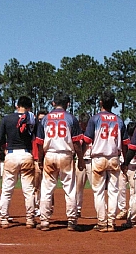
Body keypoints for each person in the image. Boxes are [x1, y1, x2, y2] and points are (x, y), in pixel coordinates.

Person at [35, 92, 85, 231]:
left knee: (46, 189)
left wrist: (40, 159)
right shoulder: (71, 118)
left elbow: (39, 143)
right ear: (67, 104)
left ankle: (44, 221)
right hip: (66, 155)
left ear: (53, 103)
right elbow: (76, 143)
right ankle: (71, 221)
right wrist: (80, 159)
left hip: (49, 155)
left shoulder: (45, 119)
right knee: (70, 189)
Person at [83, 90, 130, 232]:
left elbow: (87, 140)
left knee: (98, 192)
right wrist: (125, 162)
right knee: (114, 191)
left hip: (98, 157)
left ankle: (102, 222)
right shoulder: (119, 120)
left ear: (101, 103)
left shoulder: (95, 119)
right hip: (114, 157)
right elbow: (125, 143)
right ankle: (111, 222)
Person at [0, 96, 36, 229]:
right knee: (28, 190)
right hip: (27, 154)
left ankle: (3, 218)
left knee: (7, 190)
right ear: (29, 107)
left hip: (11, 155)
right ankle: (30, 219)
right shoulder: (31, 118)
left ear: (17, 105)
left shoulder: (7, 119)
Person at [75, 112, 92, 219]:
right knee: (78, 187)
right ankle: (77, 210)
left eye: (86, 123)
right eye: (83, 123)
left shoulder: (93, 131)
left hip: (91, 160)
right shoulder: (77, 132)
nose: (84, 126)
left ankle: (102, 211)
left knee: (96, 187)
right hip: (79, 161)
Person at [122, 121, 136, 223]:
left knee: (133, 192)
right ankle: (128, 213)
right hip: (132, 167)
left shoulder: (127, 140)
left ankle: (130, 215)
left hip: (132, 168)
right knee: (131, 191)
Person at [32, 109, 48, 217]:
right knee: (36, 186)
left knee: (47, 186)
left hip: (48, 160)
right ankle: (37, 207)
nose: (41, 121)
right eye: (39, 119)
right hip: (36, 160)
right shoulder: (33, 131)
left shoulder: (49, 131)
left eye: (43, 119)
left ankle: (48, 207)